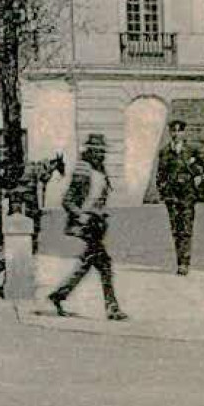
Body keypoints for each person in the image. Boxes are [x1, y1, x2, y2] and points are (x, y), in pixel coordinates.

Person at [48, 134, 128, 321]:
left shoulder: (101, 171)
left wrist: (100, 212)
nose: (101, 155)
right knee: (103, 265)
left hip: (95, 225)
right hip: (84, 226)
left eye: (103, 152)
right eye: (97, 151)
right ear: (89, 151)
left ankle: (60, 294)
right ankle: (112, 308)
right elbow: (67, 200)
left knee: (91, 264)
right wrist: (81, 215)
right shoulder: (82, 170)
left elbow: (99, 198)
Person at [156, 120, 204, 275]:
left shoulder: (192, 150)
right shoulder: (164, 152)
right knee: (176, 229)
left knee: (186, 228)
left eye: (179, 131)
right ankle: (180, 261)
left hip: (187, 194)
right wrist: (163, 191)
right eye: (174, 131)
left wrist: (199, 177)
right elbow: (160, 174)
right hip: (172, 196)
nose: (176, 134)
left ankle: (184, 263)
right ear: (170, 133)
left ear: (184, 133)